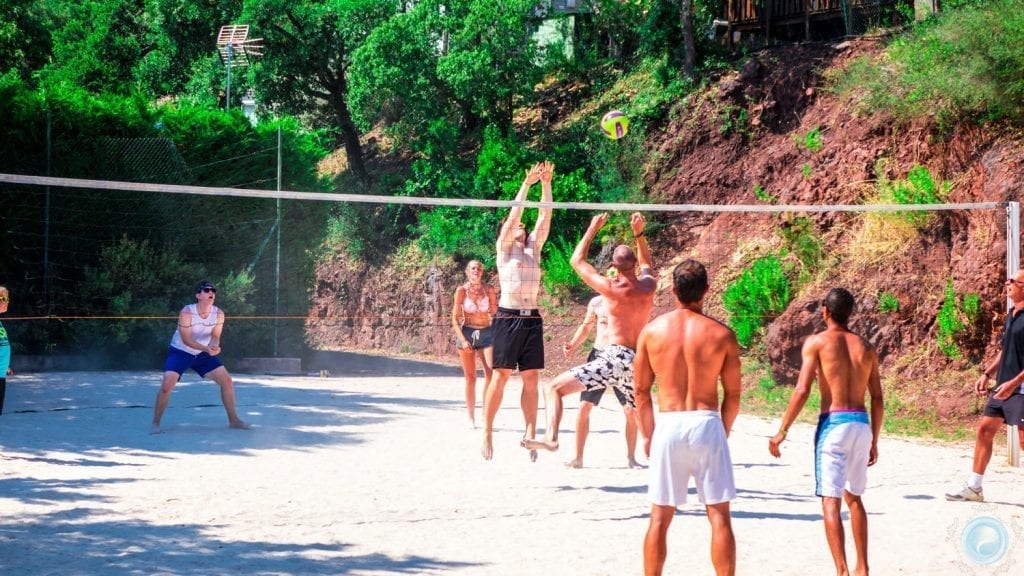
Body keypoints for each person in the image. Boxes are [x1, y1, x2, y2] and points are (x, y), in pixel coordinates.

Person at [635, 259, 741, 576]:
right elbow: (733, 395)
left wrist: (648, 435)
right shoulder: (723, 334)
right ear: (706, 290)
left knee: (659, 517)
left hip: (669, 423)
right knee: (719, 515)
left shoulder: (652, 332)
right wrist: (722, 429)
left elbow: (641, 391)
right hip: (707, 421)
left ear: (673, 289)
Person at [768, 288, 883, 576]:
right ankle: (863, 568)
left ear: (825, 311)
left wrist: (782, 430)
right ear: (850, 313)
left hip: (834, 424)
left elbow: (802, 389)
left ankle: (842, 571)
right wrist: (875, 440)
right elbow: (878, 399)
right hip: (861, 424)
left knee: (830, 501)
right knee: (854, 497)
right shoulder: (867, 347)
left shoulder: (817, 343)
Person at [522, 212, 655, 461]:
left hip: (613, 357)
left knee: (553, 388)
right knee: (641, 419)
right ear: (635, 266)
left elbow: (576, 260)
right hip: (638, 363)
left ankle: (551, 439)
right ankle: (661, 460)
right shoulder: (648, 287)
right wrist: (639, 233)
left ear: (614, 267)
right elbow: (647, 263)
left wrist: (593, 227)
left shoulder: (610, 288)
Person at [481, 161, 554, 460]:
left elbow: (545, 216)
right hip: (508, 317)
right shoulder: (504, 249)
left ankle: (529, 431)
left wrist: (546, 183)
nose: (522, 229)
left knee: (532, 378)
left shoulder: (533, 248)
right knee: (500, 376)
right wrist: (527, 185)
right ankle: (487, 430)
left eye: (524, 228)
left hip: (532, 319)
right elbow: (515, 216)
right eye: (516, 228)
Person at [945, 271, 1024, 502]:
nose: (1007, 284)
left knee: (1023, 441)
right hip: (1002, 387)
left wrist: (1014, 383)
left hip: (1019, 388)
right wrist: (987, 373)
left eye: (1014, 282)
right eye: (1009, 280)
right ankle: (974, 487)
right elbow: (1005, 350)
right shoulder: (1012, 314)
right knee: (984, 431)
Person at [150, 281, 251, 433]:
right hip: (180, 351)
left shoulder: (219, 314)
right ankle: (155, 424)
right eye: (206, 290)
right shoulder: (187, 312)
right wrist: (207, 348)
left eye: (213, 290)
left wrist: (214, 346)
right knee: (166, 386)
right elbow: (186, 340)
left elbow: (215, 336)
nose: (211, 292)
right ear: (198, 295)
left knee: (227, 382)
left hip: (203, 353)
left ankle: (234, 420)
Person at [562, 279, 641, 469]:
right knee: (584, 406)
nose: (614, 280)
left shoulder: (629, 301)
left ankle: (631, 458)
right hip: (599, 357)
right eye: (611, 277)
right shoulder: (596, 303)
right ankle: (578, 457)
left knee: (631, 410)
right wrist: (572, 345)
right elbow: (586, 327)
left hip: (622, 358)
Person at [451, 260, 498, 428]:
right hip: (467, 332)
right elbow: (454, 319)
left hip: (486, 332)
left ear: (482, 272)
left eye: (479, 268)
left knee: (491, 374)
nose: (476, 271)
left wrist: (501, 333)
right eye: (473, 268)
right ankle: (470, 416)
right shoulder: (461, 291)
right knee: (470, 378)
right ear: (467, 271)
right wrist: (463, 340)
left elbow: (495, 313)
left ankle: (486, 413)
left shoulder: (489, 290)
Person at [0, 285, 11, 415]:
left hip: (1, 375)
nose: (7, 301)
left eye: (7, 298)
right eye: (3, 298)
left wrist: (6, 366)